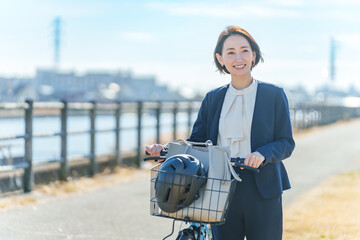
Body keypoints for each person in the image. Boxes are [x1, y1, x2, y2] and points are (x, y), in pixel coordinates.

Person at [146, 25, 295, 240]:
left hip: (264, 187)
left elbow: (286, 142)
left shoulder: (274, 94)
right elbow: (196, 142)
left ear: (254, 55)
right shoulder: (213, 98)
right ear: (220, 58)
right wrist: (166, 149)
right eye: (230, 52)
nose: (239, 58)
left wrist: (262, 154)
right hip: (220, 187)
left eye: (244, 50)